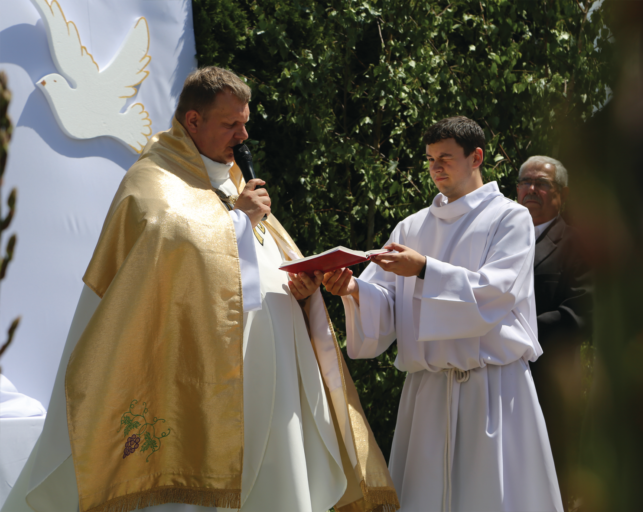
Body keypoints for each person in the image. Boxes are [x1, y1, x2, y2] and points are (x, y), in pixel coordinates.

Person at [2, 67, 398, 512]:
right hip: (207, 368)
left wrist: (302, 290)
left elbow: (261, 262)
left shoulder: (233, 180)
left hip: (272, 367)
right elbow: (169, 245)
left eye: (245, 123)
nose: (243, 136)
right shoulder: (151, 179)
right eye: (231, 124)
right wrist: (236, 221)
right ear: (193, 121)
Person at [323, 116, 563, 512]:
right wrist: (353, 290)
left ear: (476, 157)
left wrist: (424, 270)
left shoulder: (510, 218)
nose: (436, 168)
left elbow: (496, 293)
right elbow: (388, 302)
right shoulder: (411, 227)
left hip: (492, 388)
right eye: (431, 159)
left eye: (446, 158)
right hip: (428, 392)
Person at [516, 155, 592, 499]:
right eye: (525, 182)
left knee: (547, 484)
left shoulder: (579, 245)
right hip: (492, 380)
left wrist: (513, 334)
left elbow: (580, 314)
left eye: (542, 184)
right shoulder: (493, 240)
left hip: (550, 381)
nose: (531, 189)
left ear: (563, 194)